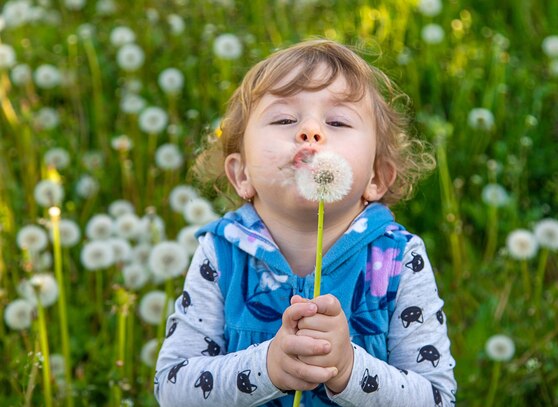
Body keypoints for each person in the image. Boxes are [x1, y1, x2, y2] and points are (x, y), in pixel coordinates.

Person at [154, 39, 456, 406]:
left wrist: (349, 370)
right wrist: (266, 368)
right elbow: (172, 390)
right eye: (284, 119)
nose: (310, 131)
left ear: (376, 178)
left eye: (338, 121)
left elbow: (437, 398)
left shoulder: (398, 259)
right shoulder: (221, 254)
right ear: (241, 174)